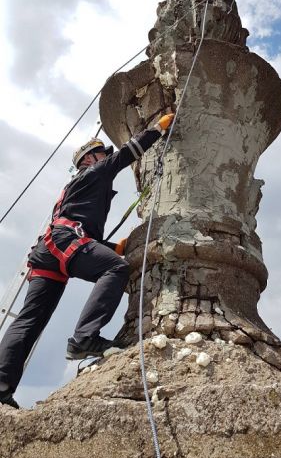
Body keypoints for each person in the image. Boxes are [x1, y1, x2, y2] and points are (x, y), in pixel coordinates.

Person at [0, 113, 174, 409]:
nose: (106, 158)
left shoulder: (79, 187)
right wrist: (157, 130)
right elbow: (127, 153)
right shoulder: (95, 173)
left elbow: (79, 226)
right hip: (66, 241)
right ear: (90, 158)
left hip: (50, 250)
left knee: (31, 319)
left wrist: (111, 246)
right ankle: (84, 339)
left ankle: (1, 386)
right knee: (115, 268)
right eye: (102, 155)